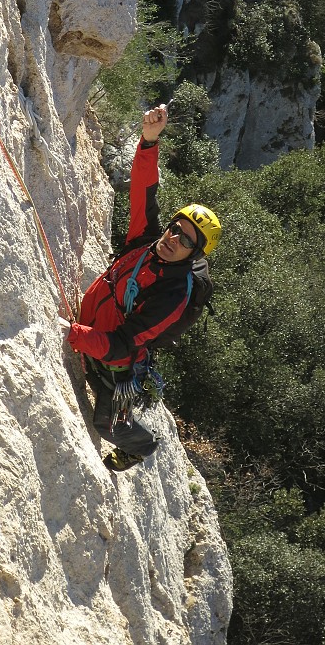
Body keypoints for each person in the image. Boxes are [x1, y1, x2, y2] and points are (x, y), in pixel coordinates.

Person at [66, 104, 222, 473]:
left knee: (108, 423)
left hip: (115, 359)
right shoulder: (146, 243)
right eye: (175, 228)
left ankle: (141, 447)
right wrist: (149, 141)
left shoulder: (175, 294)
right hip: (94, 330)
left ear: (194, 253)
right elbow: (143, 190)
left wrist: (76, 336)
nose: (173, 239)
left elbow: (126, 342)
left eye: (185, 240)